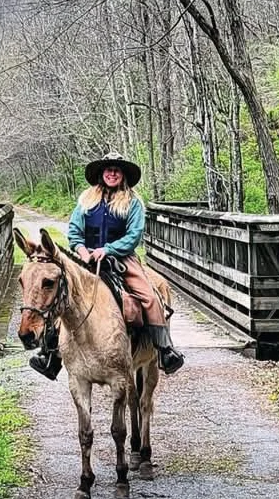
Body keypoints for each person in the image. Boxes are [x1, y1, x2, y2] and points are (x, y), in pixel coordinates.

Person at [28, 152, 186, 380]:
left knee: (150, 297)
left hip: (122, 260)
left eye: (117, 170)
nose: (112, 173)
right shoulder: (86, 199)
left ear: (123, 175)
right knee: (61, 296)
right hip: (86, 258)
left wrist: (108, 249)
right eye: (108, 169)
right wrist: (82, 250)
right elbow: (74, 230)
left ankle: (164, 350)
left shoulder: (133, 202)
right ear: (102, 174)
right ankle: (50, 355)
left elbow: (134, 235)